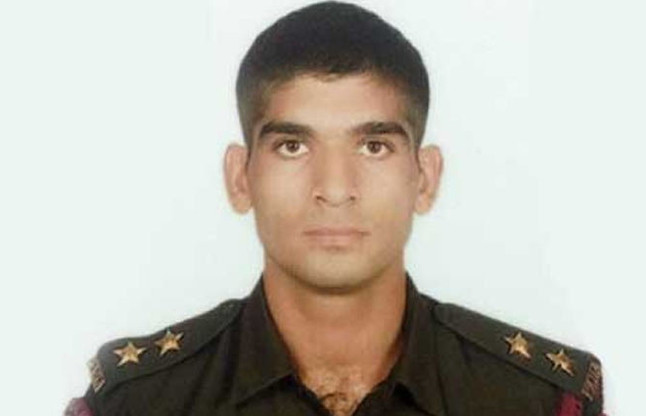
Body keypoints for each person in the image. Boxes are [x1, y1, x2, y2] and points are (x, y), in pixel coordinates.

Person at [65, 2, 606, 415]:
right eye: (292, 146)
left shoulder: (538, 401)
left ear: (424, 178)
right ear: (240, 177)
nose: (335, 188)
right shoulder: (135, 402)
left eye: (373, 146)